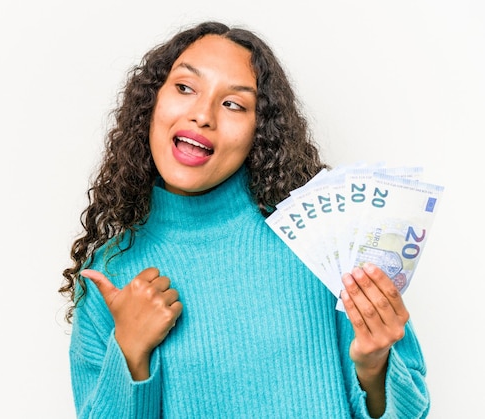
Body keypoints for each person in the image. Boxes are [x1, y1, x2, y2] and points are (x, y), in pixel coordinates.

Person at [59, 21, 430, 418]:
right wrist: (130, 352)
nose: (202, 115)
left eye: (233, 104)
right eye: (185, 88)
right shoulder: (109, 275)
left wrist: (374, 366)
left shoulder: (322, 241)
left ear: (260, 131)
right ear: (151, 103)